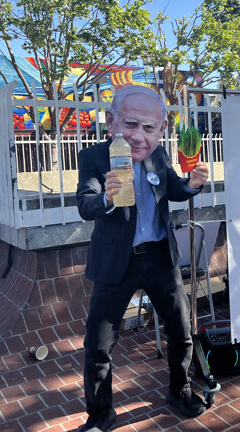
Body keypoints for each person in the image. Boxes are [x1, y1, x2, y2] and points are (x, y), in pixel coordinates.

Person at [76, 85, 210, 431]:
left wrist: (192, 183)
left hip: (160, 257)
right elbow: (85, 206)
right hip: (117, 263)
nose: (139, 136)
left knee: (180, 329)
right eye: (130, 124)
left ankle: (179, 390)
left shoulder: (158, 156)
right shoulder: (93, 158)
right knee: (99, 343)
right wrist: (106, 197)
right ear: (110, 122)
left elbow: (175, 191)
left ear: (161, 129)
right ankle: (100, 413)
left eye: (149, 128)